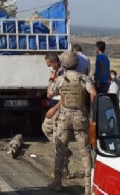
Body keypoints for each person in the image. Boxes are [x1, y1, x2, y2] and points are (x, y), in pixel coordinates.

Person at [48, 50, 97, 192]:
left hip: (64, 117)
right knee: (85, 151)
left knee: (60, 149)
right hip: (80, 117)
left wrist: (52, 79)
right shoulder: (84, 79)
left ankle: (57, 182)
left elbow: (50, 93)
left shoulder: (61, 79)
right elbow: (93, 94)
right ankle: (88, 186)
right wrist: (89, 110)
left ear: (64, 63)